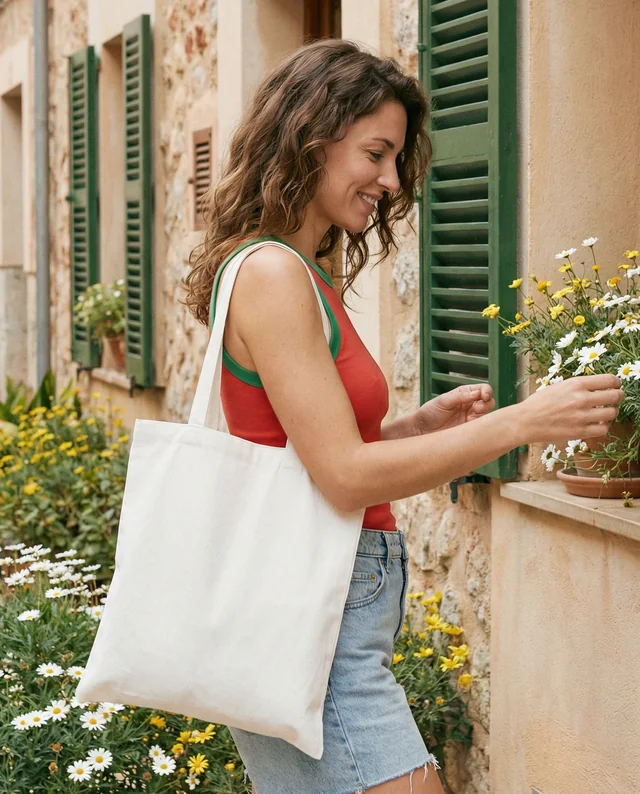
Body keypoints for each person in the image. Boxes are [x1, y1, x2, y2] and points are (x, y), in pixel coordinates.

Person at [183, 38, 624, 794]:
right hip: (315, 622)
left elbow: (312, 450)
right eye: (375, 154)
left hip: (315, 611)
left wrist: (414, 430)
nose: (390, 181)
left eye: (395, 159)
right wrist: (522, 421)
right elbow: (343, 477)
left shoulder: (299, 270)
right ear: (310, 140)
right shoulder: (273, 274)